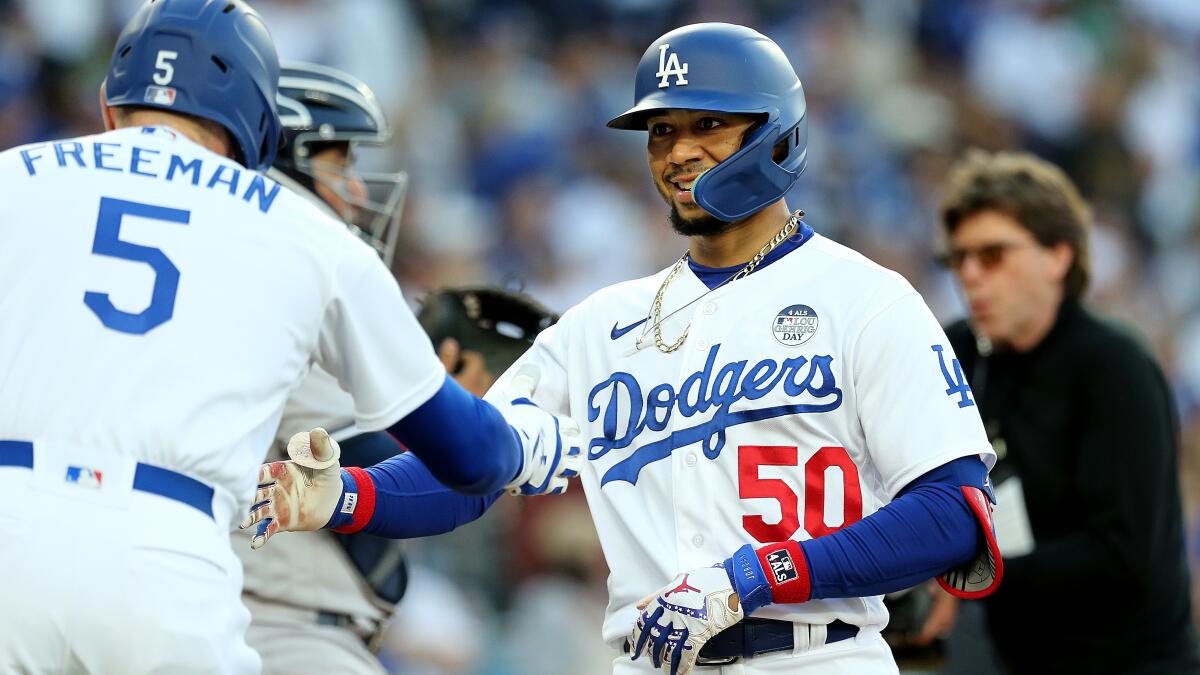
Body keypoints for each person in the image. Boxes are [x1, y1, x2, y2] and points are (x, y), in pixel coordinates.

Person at [254, 23, 1003, 675]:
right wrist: (350, 494)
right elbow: (481, 466)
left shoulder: (865, 298)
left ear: (775, 129)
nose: (678, 152)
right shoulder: (601, 324)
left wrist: (754, 577)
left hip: (818, 651)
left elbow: (956, 512)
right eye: (661, 130)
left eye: (707, 122)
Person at [0, 2, 580, 673]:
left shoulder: (15, 175)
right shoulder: (302, 233)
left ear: (108, 105)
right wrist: (531, 439)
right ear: (258, 126)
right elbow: (470, 455)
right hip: (167, 557)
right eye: (341, 162)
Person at [239, 62, 562, 675]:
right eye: (340, 164)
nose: (356, 190)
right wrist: (471, 413)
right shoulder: (291, 290)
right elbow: (410, 474)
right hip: (279, 627)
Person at [936, 149, 1200, 674]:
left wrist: (972, 572)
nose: (970, 275)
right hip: (1016, 654)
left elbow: (1125, 556)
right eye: (959, 259)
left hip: (1131, 661)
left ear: (1058, 256)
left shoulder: (1114, 366)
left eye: (993, 255)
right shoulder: (957, 351)